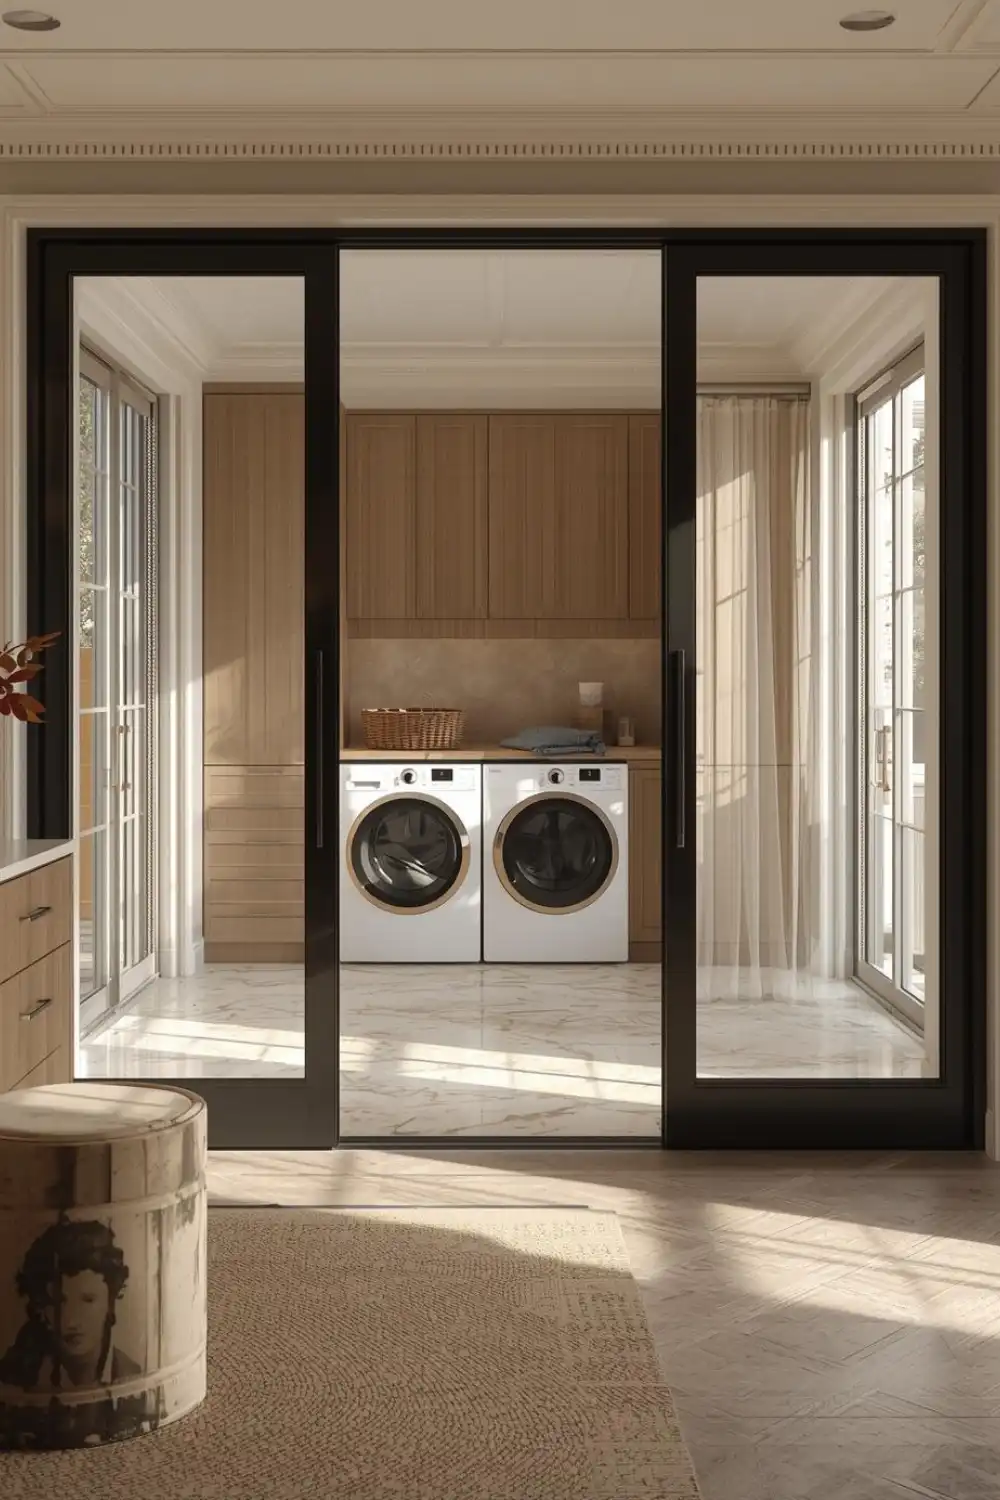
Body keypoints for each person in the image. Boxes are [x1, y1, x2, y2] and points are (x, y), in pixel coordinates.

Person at [0, 1218, 141, 1392]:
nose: (72, 1321)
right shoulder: (17, 1378)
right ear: (41, 1307)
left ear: (110, 1301)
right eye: (58, 1302)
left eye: (88, 1300)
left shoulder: (134, 1378)